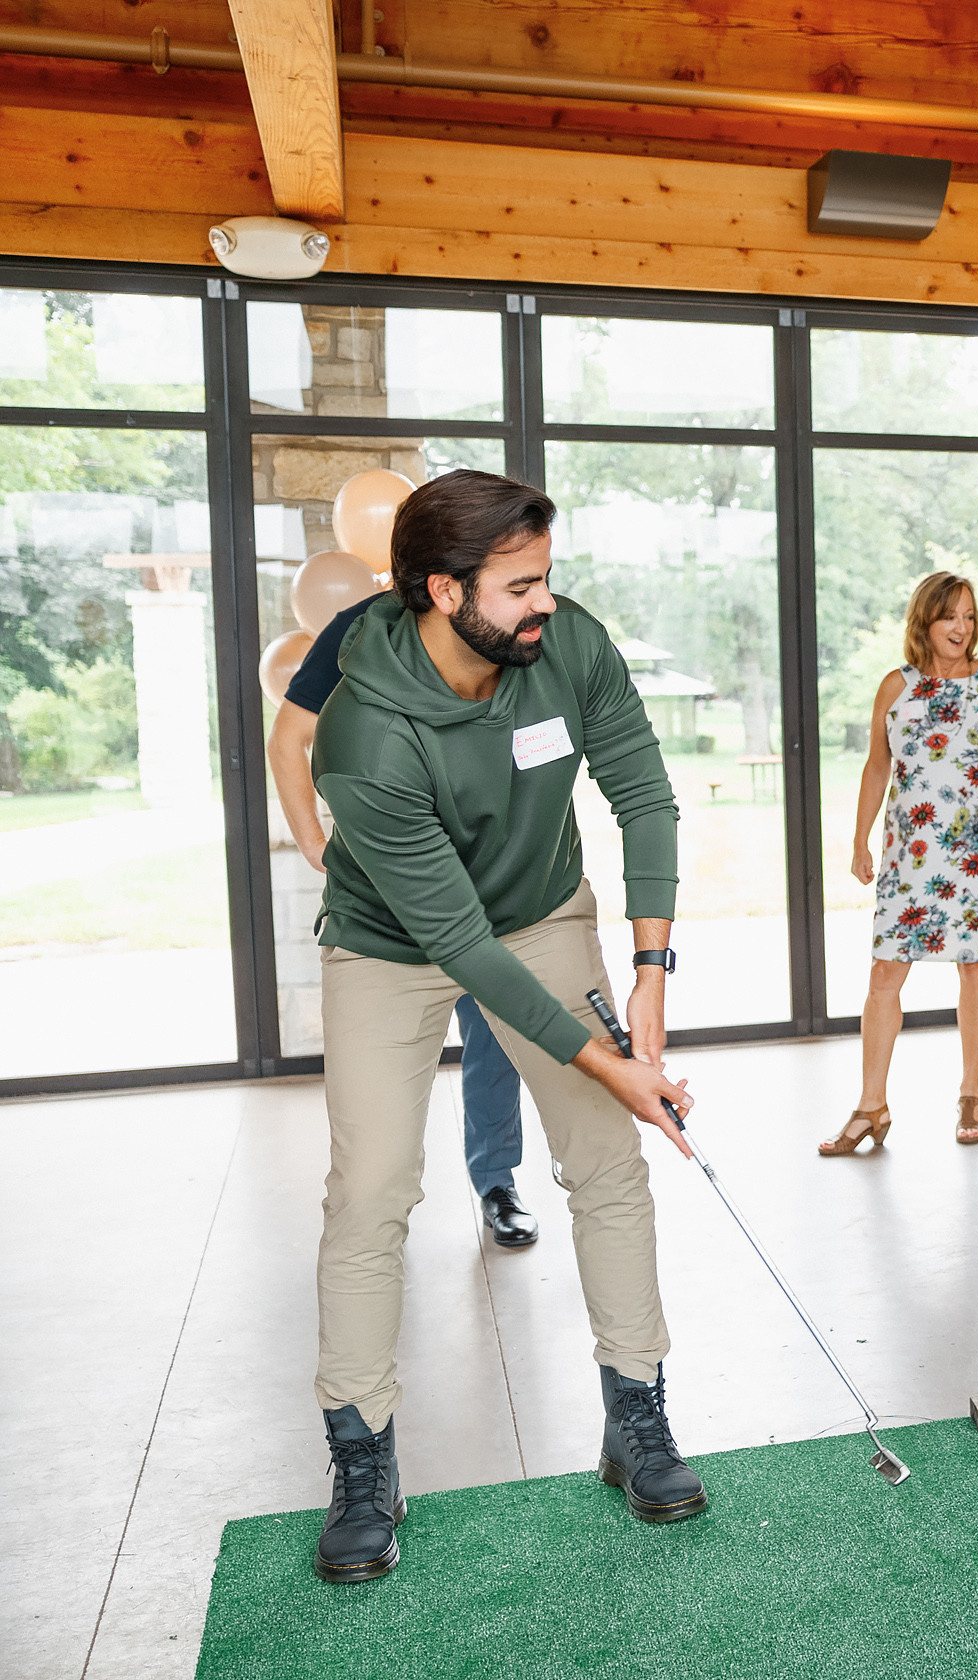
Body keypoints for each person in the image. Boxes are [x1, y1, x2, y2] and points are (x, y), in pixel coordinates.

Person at [304, 469, 707, 1583]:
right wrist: (610, 1063)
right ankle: (362, 1457)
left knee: (606, 1163)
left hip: (540, 912)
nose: (548, 602)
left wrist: (650, 980)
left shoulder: (563, 646)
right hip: (393, 942)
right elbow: (460, 947)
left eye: (549, 577)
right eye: (523, 584)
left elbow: (644, 793)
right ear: (444, 590)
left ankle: (637, 1420)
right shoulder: (363, 732)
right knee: (373, 1188)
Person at [270, 590, 539, 1249]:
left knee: (496, 1039)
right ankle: (380, 1203)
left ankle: (497, 1181)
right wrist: (314, 844)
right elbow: (287, 740)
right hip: (388, 894)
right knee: (384, 1062)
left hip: (485, 887)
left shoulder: (506, 626)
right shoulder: (355, 631)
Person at [824, 571, 978, 1154]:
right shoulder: (897, 686)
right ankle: (871, 1106)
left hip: (974, 848)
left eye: (969, 616)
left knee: (974, 968)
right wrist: (859, 840)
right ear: (925, 620)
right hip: (909, 851)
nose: (962, 627)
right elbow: (877, 766)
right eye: (951, 616)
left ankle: (971, 1091)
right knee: (884, 974)